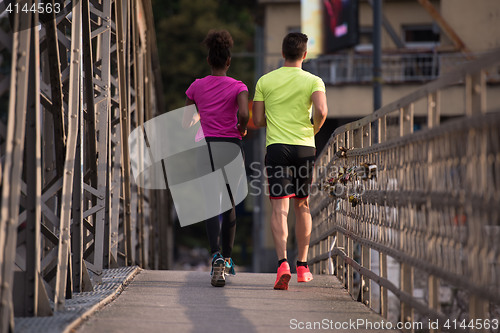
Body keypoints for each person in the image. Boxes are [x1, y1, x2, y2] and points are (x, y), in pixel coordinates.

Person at [253, 32, 328, 290]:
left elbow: (259, 118)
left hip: (277, 148)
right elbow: (322, 111)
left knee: (279, 209)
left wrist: (273, 119)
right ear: (305, 55)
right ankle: (303, 267)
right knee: (302, 205)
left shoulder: (265, 80)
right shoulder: (314, 81)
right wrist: (314, 129)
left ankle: (282, 263)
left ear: (282, 53)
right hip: (305, 147)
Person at [183, 30, 249, 287]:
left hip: (206, 147)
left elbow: (187, 122)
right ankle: (229, 259)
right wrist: (241, 128)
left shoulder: (196, 86)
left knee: (211, 204)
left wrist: (203, 115)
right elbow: (244, 114)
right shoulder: (238, 86)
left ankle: (216, 257)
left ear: (209, 61)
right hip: (231, 147)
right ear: (228, 62)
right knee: (229, 204)